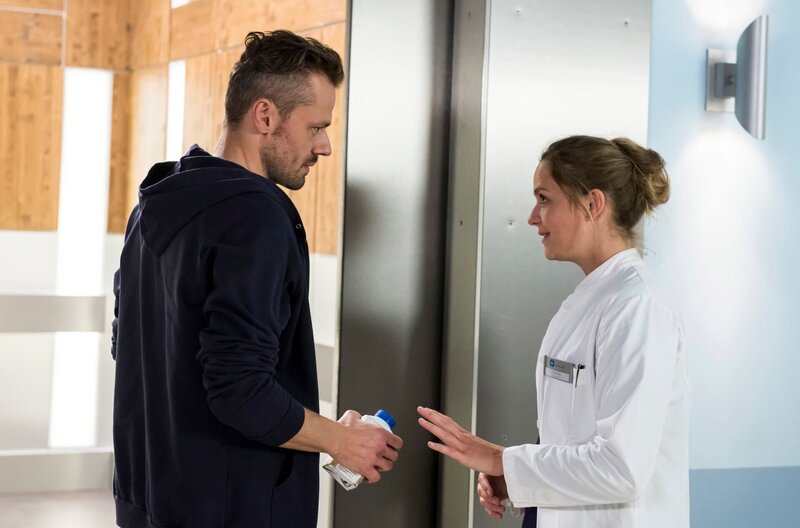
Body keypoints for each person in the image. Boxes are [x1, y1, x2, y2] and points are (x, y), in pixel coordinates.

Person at [111, 30, 402, 528]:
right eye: (315, 128)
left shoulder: (158, 202)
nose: (325, 147)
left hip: (150, 502)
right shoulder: (255, 218)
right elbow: (239, 389)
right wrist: (341, 440)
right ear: (265, 116)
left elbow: (132, 348)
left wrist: (325, 429)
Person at [418, 135, 689, 528]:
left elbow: (622, 468)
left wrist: (503, 461)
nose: (532, 217)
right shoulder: (591, 301)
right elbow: (571, 444)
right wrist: (512, 476)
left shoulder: (637, 308)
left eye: (544, 199)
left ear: (592, 204)